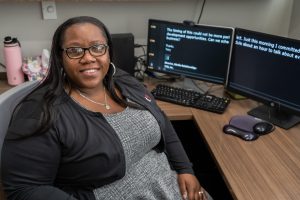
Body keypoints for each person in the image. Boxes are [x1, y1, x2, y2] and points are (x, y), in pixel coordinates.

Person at [1, 16, 213, 200]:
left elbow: (162, 121)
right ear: (60, 57)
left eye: (97, 47)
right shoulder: (40, 113)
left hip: (171, 183)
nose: (88, 57)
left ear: (108, 51)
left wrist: (185, 169)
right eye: (75, 50)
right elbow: (25, 189)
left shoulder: (123, 80)